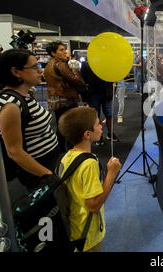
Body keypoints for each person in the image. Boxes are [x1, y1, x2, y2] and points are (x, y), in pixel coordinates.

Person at [58, 107, 122, 252]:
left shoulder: (67, 156)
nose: (102, 126)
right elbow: (93, 205)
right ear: (87, 134)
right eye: (98, 124)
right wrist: (111, 174)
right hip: (87, 234)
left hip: (74, 225)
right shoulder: (89, 164)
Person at [0, 49, 59, 190]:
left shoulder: (25, 95)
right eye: (35, 67)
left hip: (49, 161)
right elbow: (14, 152)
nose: (40, 71)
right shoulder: (11, 105)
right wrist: (48, 175)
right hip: (38, 169)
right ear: (16, 72)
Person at [44, 41, 85, 152]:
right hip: (66, 99)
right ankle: (70, 150)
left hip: (55, 99)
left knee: (60, 124)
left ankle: (61, 150)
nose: (64, 52)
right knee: (70, 125)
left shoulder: (49, 64)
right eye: (61, 50)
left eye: (64, 49)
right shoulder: (60, 64)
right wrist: (76, 71)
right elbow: (75, 80)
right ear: (53, 53)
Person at [81, 60, 119, 145]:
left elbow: (114, 78)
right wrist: (84, 98)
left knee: (109, 115)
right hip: (93, 95)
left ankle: (110, 134)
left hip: (106, 94)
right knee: (95, 117)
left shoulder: (108, 63)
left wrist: (112, 92)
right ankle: (98, 137)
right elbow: (82, 82)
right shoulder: (86, 64)